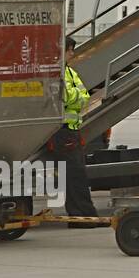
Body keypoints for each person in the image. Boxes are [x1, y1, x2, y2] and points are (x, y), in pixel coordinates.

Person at [49, 36, 97, 219]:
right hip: (63, 131)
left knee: (74, 174)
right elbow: (67, 97)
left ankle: (78, 214)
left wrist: (75, 95)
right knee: (76, 174)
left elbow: (84, 96)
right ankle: (85, 214)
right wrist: (77, 95)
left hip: (71, 130)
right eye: (69, 50)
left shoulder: (69, 72)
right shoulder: (56, 72)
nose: (72, 53)